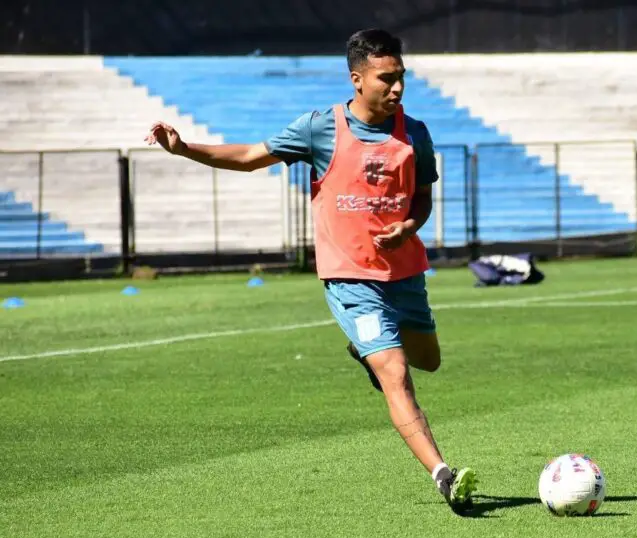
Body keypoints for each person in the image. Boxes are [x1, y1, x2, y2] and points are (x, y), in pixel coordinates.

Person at [145, 28, 476, 512]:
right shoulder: (320, 128)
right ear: (357, 79)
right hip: (350, 277)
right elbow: (250, 158)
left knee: (427, 359)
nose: (398, 88)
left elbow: (422, 198)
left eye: (402, 77)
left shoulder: (416, 134)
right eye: (387, 79)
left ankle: (365, 352)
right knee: (396, 371)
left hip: (405, 273)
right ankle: (443, 474)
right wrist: (185, 148)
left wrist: (408, 226)